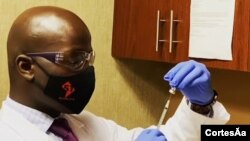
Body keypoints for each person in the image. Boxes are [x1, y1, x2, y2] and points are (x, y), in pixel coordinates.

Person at [0, 6, 230, 141]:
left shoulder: (80, 124)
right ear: (26, 67)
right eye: (74, 59)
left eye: (88, 58)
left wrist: (200, 104)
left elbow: (164, 138)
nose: (87, 69)